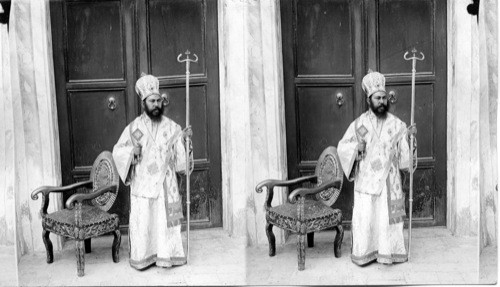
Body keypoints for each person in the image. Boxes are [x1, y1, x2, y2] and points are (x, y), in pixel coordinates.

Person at [112, 73, 192, 270]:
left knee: (164, 221)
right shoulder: (134, 128)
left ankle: (168, 254)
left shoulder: (173, 127)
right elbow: (118, 151)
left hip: (165, 184)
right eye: (152, 101)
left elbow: (181, 163)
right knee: (146, 219)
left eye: (158, 100)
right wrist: (132, 151)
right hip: (143, 183)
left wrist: (185, 141)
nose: (156, 104)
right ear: (144, 103)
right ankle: (145, 256)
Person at [337, 70, 416, 266]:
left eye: (383, 97)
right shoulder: (359, 124)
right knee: (367, 217)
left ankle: (388, 252)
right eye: (377, 98)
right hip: (366, 180)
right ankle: (366, 252)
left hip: (389, 181)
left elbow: (405, 157)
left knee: (386, 218)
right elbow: (342, 146)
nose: (381, 101)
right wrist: (356, 148)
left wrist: (410, 137)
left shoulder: (397, 124)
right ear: (369, 99)